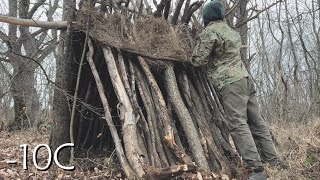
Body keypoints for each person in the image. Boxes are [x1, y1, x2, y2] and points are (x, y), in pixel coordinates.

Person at [189, 0, 286, 179]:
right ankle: (272, 160)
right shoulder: (231, 31)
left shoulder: (210, 32)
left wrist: (191, 52)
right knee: (257, 122)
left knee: (238, 124)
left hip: (230, 83)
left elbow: (198, 60)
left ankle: (256, 170)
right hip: (245, 79)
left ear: (207, 16)